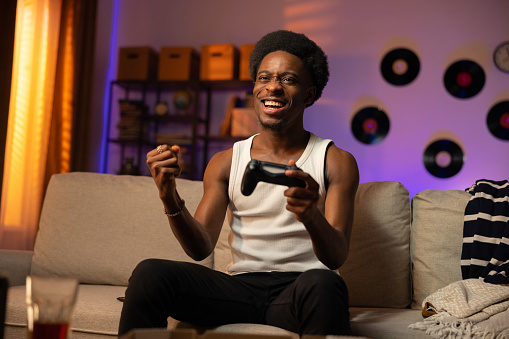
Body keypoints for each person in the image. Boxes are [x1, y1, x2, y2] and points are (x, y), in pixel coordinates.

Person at [118, 30, 359, 337]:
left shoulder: (335, 160)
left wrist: (311, 214)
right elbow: (200, 247)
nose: (273, 86)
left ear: (309, 95)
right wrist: (169, 196)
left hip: (303, 290)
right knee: (150, 273)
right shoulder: (225, 160)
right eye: (264, 78)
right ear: (255, 88)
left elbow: (336, 256)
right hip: (238, 290)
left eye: (288, 79)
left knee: (326, 283)